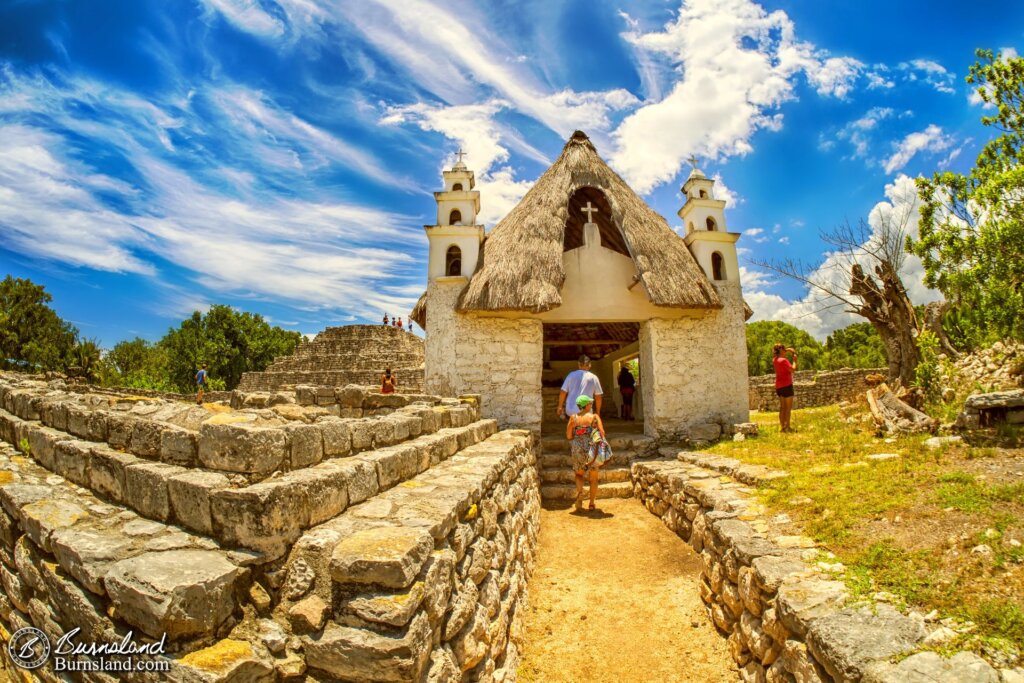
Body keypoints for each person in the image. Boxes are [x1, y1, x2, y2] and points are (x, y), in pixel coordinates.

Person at [566, 395, 607, 511]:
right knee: (593, 478)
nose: (591, 405)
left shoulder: (573, 418)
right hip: (592, 449)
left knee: (579, 474)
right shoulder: (594, 417)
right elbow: (602, 432)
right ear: (586, 405)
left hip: (577, 448)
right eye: (590, 403)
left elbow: (569, 435)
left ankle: (580, 494)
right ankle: (592, 503)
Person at [557, 355, 603, 420]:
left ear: (579, 365)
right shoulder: (594, 378)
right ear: (589, 365)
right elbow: (598, 397)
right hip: (586, 412)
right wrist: (598, 413)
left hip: (571, 412)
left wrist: (560, 406)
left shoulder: (571, 375)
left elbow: (563, 392)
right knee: (586, 429)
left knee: (572, 428)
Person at [773, 343, 797, 432]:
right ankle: (788, 427)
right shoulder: (784, 360)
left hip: (779, 386)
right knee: (788, 408)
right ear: (781, 350)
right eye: (784, 350)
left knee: (782, 408)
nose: (785, 352)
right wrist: (794, 360)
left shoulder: (775, 360)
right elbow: (792, 370)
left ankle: (783, 427)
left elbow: (781, 352)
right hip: (787, 385)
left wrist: (787, 350)